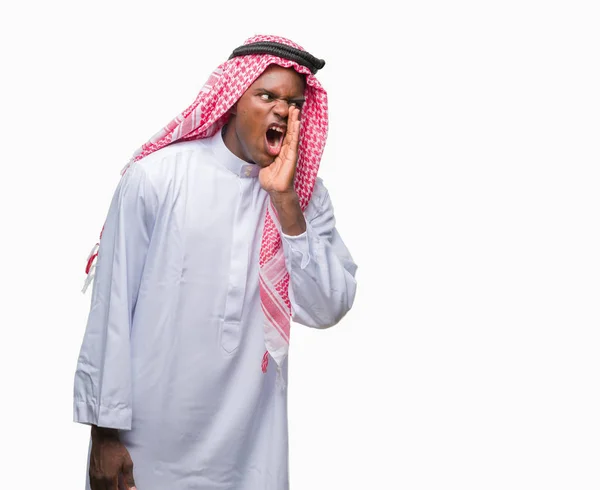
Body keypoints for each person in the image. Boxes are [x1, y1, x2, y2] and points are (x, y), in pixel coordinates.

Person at [73, 34, 358, 490]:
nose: (283, 111)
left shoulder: (303, 199)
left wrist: (285, 203)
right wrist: (103, 434)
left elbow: (328, 307)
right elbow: (112, 307)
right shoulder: (158, 178)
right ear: (232, 100)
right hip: (148, 447)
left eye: (294, 102)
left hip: (250, 455)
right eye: (267, 96)